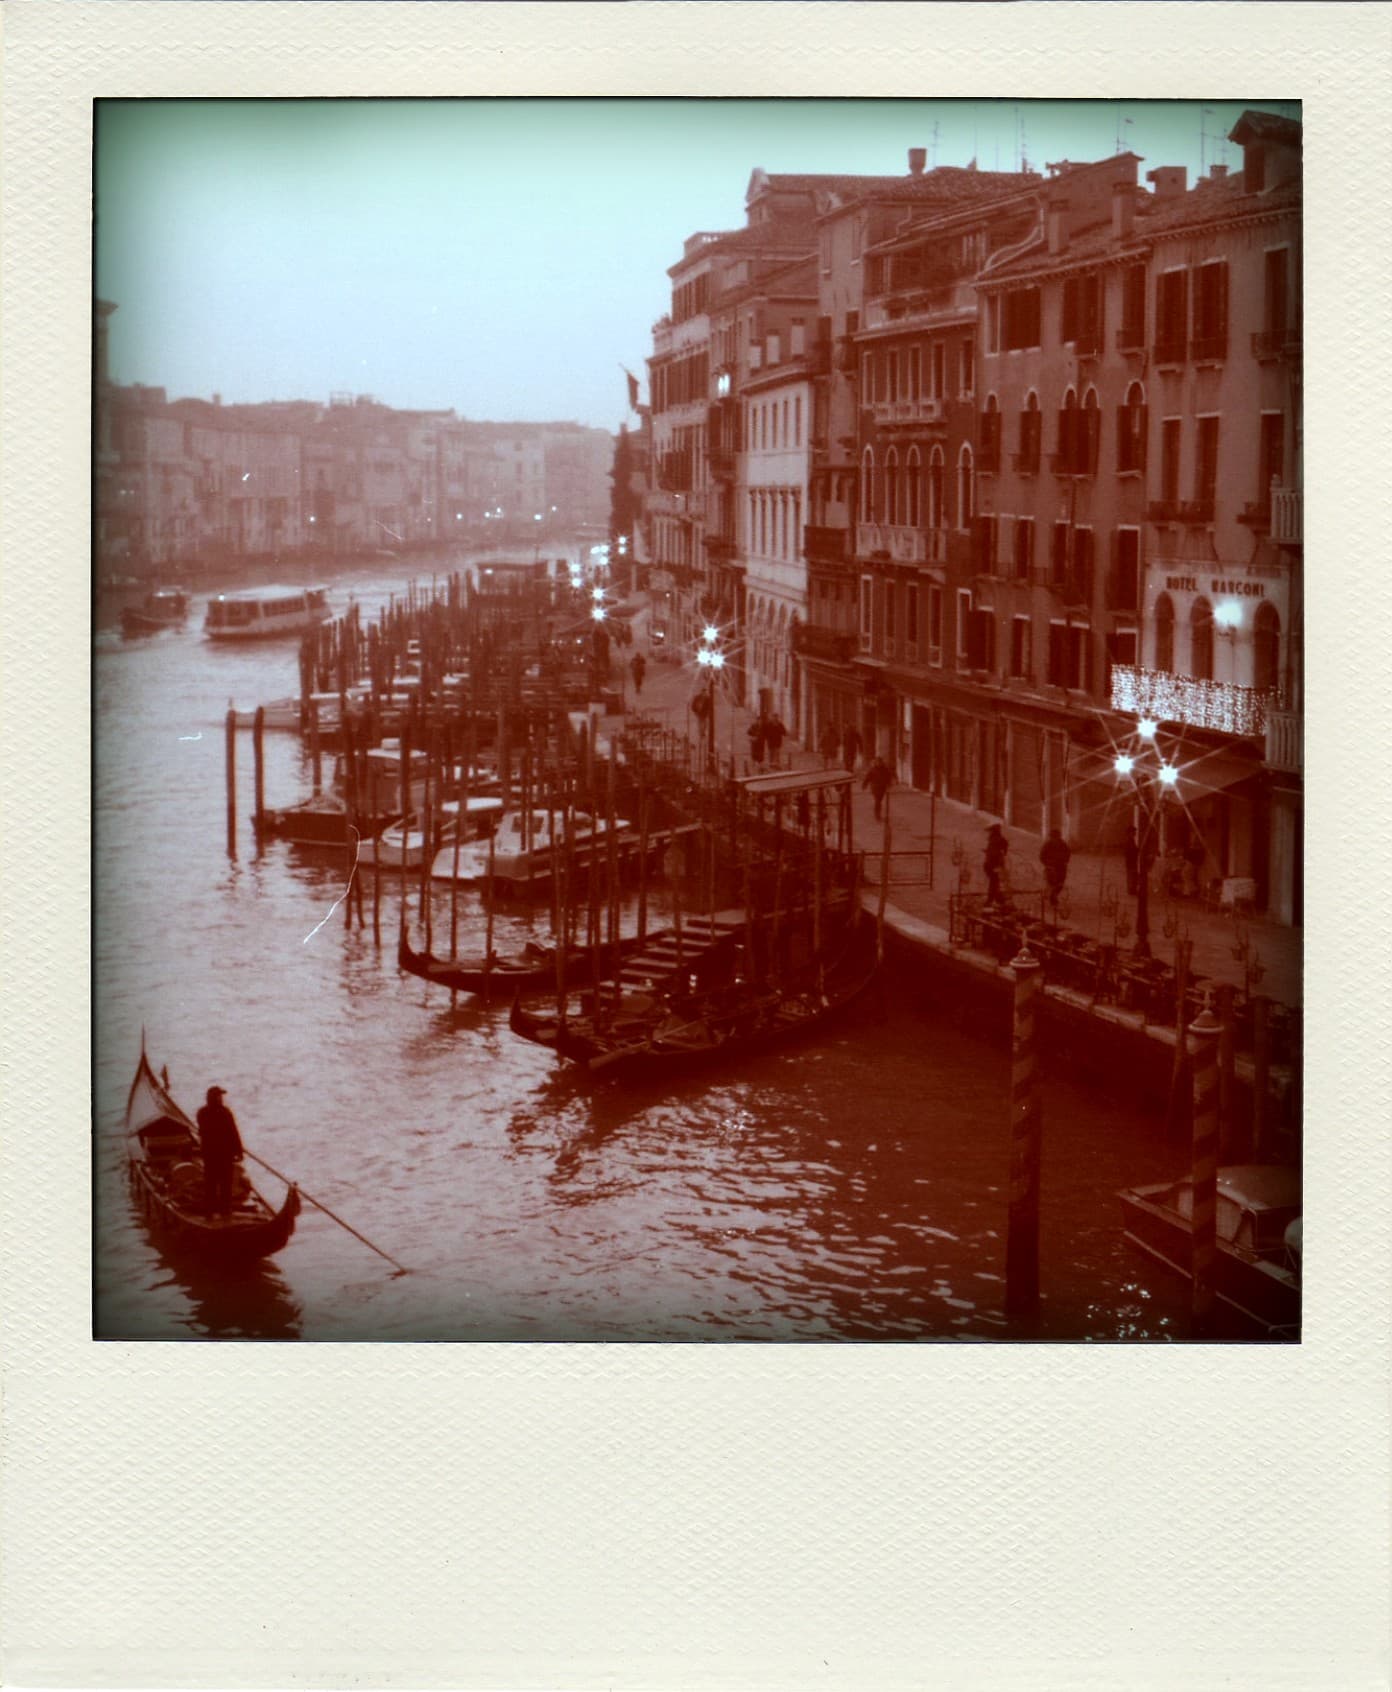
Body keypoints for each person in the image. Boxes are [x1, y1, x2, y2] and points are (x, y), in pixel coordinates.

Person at [196, 1084, 244, 1218]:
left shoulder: (202, 1113)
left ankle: (210, 1212)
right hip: (223, 1155)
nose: (221, 1098)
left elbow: (203, 1131)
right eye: (219, 1096)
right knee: (223, 1185)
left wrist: (238, 1151)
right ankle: (224, 1211)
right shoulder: (224, 1113)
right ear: (214, 1098)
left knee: (212, 1184)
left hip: (211, 1155)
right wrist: (238, 1151)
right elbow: (233, 1133)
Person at [1039, 828, 1071, 911]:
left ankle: (1051, 896)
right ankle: (1052, 899)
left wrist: (1064, 862)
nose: (1056, 839)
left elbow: (1068, 854)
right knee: (1055, 884)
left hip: (1058, 867)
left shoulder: (1061, 844)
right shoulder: (1050, 844)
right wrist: (1048, 864)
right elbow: (1042, 856)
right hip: (1055, 867)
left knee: (1057, 884)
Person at [984, 822, 1009, 906]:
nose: (989, 832)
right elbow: (1005, 846)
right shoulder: (998, 839)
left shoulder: (995, 839)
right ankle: (998, 899)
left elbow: (995, 852)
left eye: (990, 830)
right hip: (993, 865)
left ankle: (992, 900)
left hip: (992, 865)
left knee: (994, 882)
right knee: (995, 882)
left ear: (993, 831)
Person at [863, 754, 893, 821]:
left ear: (882, 762)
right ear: (875, 763)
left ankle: (877, 814)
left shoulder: (885, 769)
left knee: (879, 801)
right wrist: (864, 785)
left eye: (880, 762)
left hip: (882, 787)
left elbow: (889, 777)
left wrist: (889, 785)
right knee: (877, 801)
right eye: (877, 762)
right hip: (875, 788)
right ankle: (877, 815)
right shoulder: (872, 770)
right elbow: (867, 778)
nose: (879, 764)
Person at [1122, 824, 1140, 896]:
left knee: (1132, 875)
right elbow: (1131, 851)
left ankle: (1132, 889)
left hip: (1131, 861)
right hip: (1131, 861)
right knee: (1131, 875)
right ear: (1130, 832)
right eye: (1134, 832)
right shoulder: (1129, 840)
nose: (1135, 833)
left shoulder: (1131, 840)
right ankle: (1131, 890)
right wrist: (1137, 850)